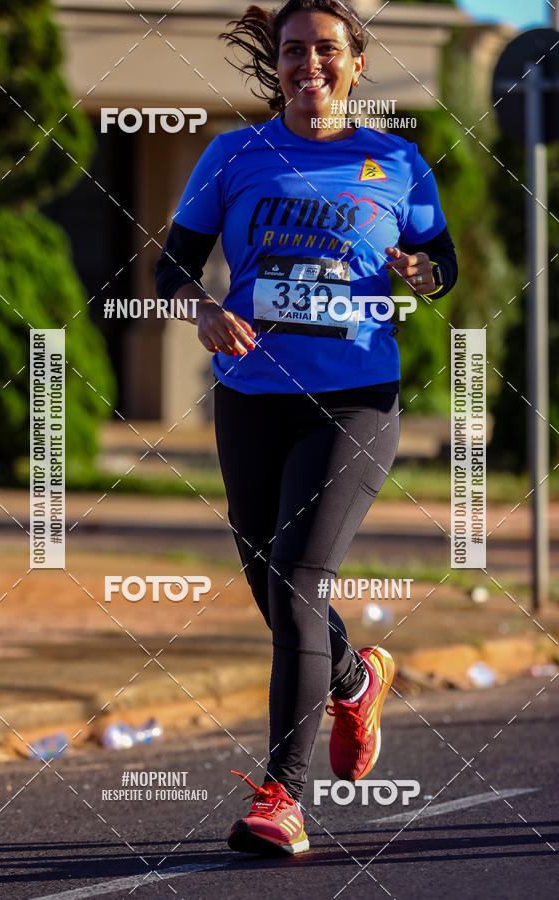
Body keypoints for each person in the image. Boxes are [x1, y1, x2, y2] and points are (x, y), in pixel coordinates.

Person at [155, 0, 457, 858]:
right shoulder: (232, 155)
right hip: (250, 393)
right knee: (263, 572)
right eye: (293, 52)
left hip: (356, 397)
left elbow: (445, 264)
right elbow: (169, 263)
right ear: (277, 64)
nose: (308, 65)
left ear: (357, 64)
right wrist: (200, 308)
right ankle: (357, 677)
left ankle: (281, 798)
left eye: (326, 50)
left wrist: (425, 271)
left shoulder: (395, 161)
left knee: (296, 576)